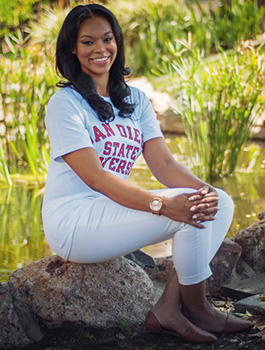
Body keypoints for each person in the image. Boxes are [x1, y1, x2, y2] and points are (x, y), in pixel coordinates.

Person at [42, 3, 254, 344]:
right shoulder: (65, 103)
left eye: (107, 39)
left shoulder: (135, 99)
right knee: (185, 207)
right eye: (87, 42)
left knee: (217, 201)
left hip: (115, 213)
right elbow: (95, 177)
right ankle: (197, 309)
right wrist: (160, 204)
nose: (100, 49)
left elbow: (164, 166)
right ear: (71, 47)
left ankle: (168, 309)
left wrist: (208, 193)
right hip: (74, 221)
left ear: (117, 42)